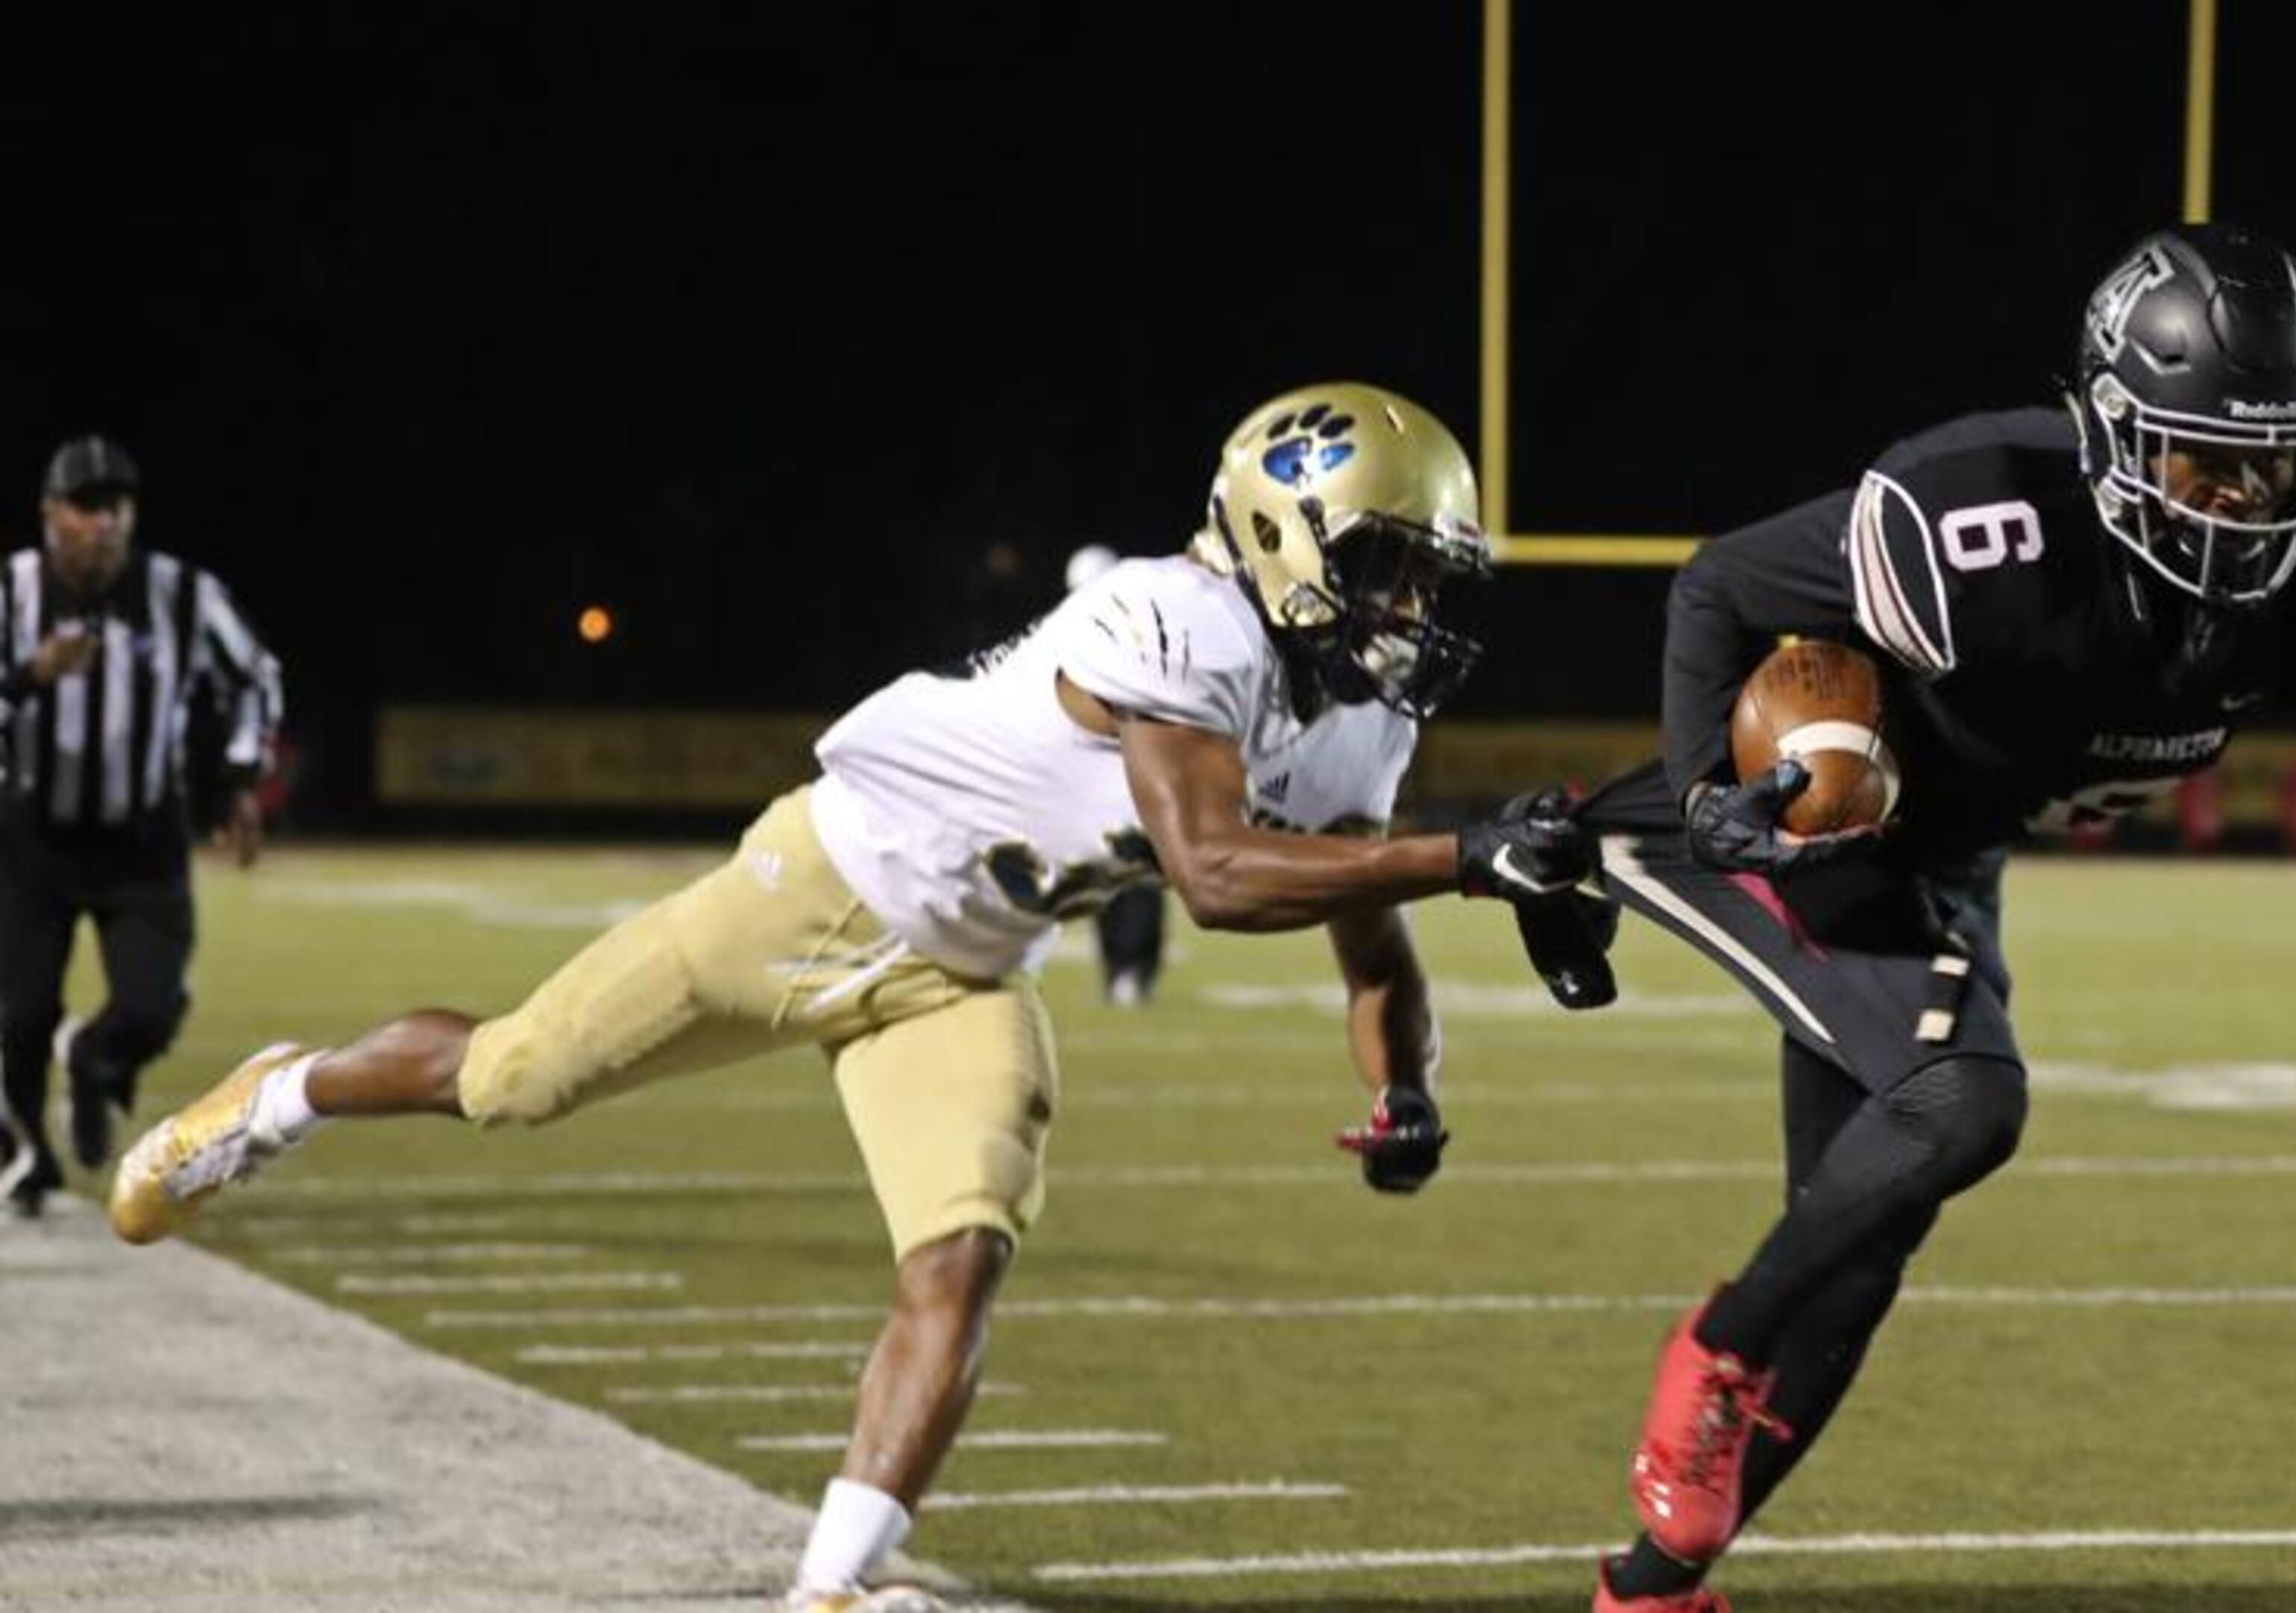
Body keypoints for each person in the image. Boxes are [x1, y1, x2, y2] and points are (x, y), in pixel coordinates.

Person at [105, 382, 1593, 1612]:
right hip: (819, 888)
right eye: (1389, 560)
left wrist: (1403, 1085)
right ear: (1280, 530)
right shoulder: (1174, 620)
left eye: (1425, 573)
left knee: (959, 1259)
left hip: (959, 973)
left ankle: (833, 1585)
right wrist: (1472, 853)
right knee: (509, 1077)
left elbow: (1366, 937)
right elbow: (1210, 871)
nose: (1409, 603)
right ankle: (283, 1095)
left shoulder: (1355, 724)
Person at [1562, 225, 2296, 1612]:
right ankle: (1718, 1347)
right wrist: (1713, 795)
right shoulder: (1977, 520)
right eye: (2209, 462)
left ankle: (1653, 1589)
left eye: (2287, 467)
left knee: (1866, 1250)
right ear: (2115, 432)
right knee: (1965, 1102)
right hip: (1803, 826)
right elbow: (1718, 587)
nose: (2249, 502)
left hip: (1943, 867)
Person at [0, 436, 282, 1219]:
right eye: (86, 506)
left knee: (153, 1006)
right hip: (32, 839)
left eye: (115, 506)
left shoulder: (181, 594)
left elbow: (254, 677)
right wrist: (27, 678)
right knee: (19, 1012)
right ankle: (28, 1158)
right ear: (51, 514)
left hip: (143, 838)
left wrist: (237, 781)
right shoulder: (12, 593)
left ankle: (96, 1062)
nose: (103, 523)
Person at [1061, 541, 1170, 1007]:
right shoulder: (1066, 641)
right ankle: (1119, 969)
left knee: (1140, 874)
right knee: (1106, 874)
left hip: (1135, 771)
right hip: (1098, 775)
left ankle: (1133, 970)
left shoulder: (1140, 641)